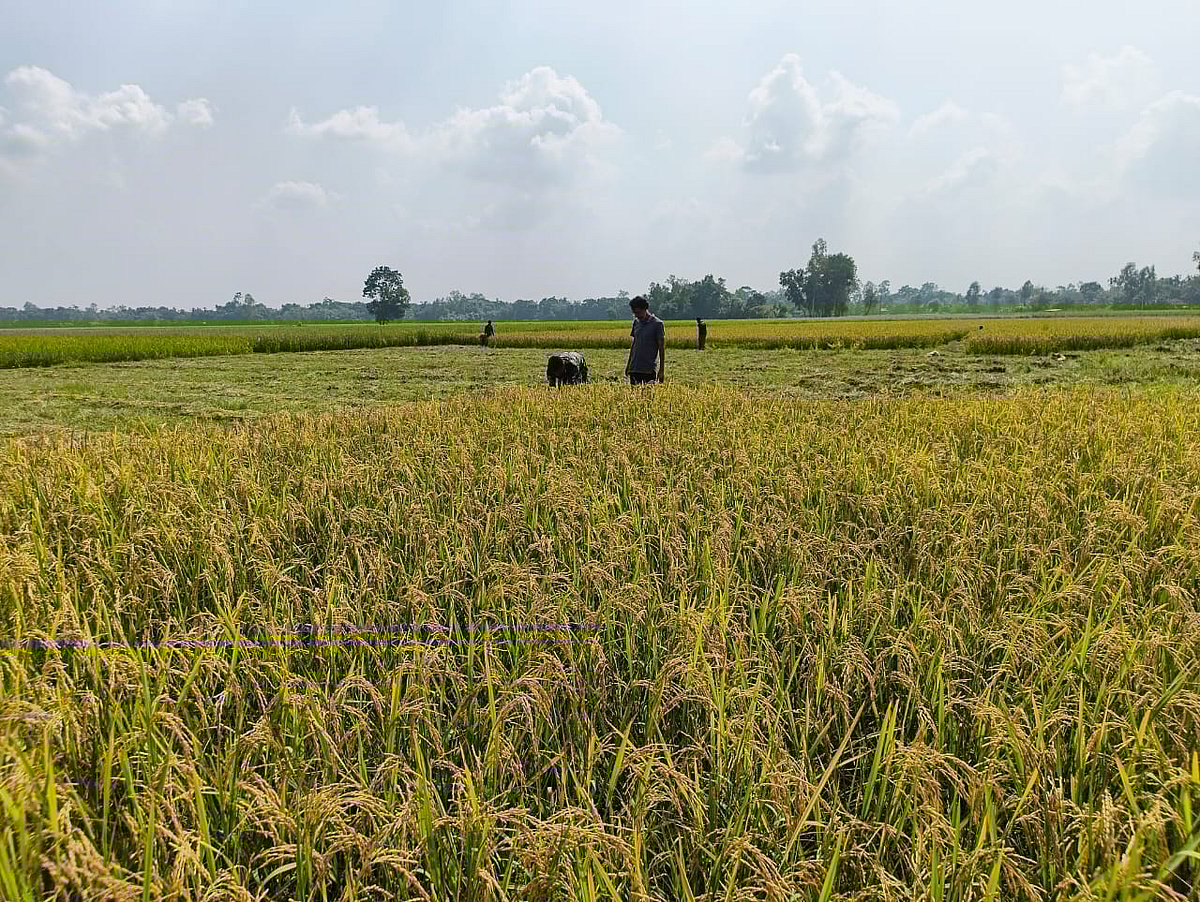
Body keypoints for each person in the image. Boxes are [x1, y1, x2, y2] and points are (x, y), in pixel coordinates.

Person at [625, 296, 664, 385]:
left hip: (648, 369)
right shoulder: (636, 323)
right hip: (635, 368)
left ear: (645, 309)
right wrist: (628, 365)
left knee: (647, 393)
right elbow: (634, 345)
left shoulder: (657, 324)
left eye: (638, 312)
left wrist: (661, 370)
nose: (636, 315)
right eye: (634, 313)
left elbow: (661, 348)